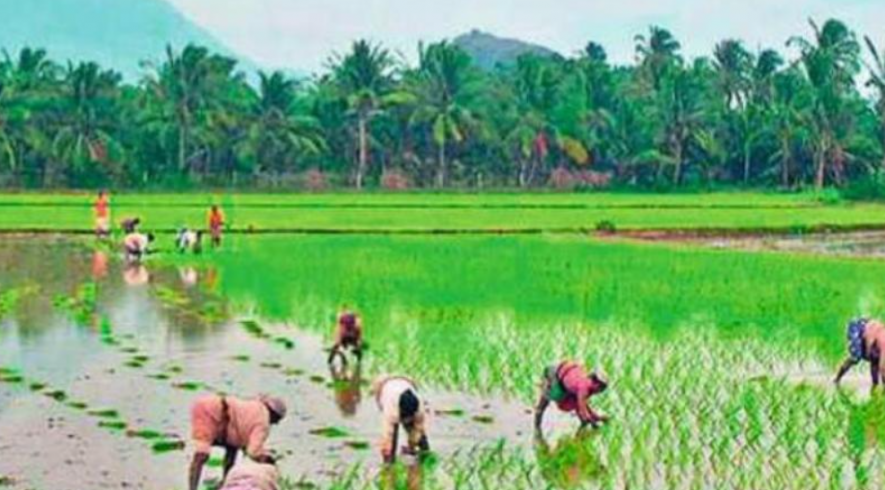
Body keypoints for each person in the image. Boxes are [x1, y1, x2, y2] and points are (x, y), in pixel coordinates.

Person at [189, 394, 287, 490]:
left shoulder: (254, 406)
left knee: (231, 452)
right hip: (212, 412)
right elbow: (253, 452)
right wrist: (267, 459)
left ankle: (222, 485)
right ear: (274, 415)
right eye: (276, 420)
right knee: (201, 454)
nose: (275, 423)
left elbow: (240, 427)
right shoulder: (263, 421)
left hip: (214, 409)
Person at [534, 361, 609, 434]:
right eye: (601, 388)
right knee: (547, 398)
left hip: (565, 376)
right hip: (554, 373)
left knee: (573, 400)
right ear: (596, 383)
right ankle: (537, 426)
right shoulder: (583, 388)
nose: (600, 392)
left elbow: (584, 406)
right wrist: (594, 424)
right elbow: (583, 411)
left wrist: (597, 417)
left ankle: (581, 426)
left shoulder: (586, 386)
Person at [371, 375, 430, 464]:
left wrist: (413, 446)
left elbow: (419, 429)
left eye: (410, 418)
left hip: (406, 383)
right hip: (387, 387)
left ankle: (426, 456)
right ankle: (390, 463)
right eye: (405, 418)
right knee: (392, 438)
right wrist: (388, 461)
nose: (406, 421)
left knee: (420, 438)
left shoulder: (419, 407)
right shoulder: (390, 409)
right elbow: (388, 435)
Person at [835, 318, 885, 389]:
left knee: (875, 359)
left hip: (870, 334)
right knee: (856, 357)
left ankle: (874, 384)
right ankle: (837, 379)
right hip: (857, 327)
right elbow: (882, 368)